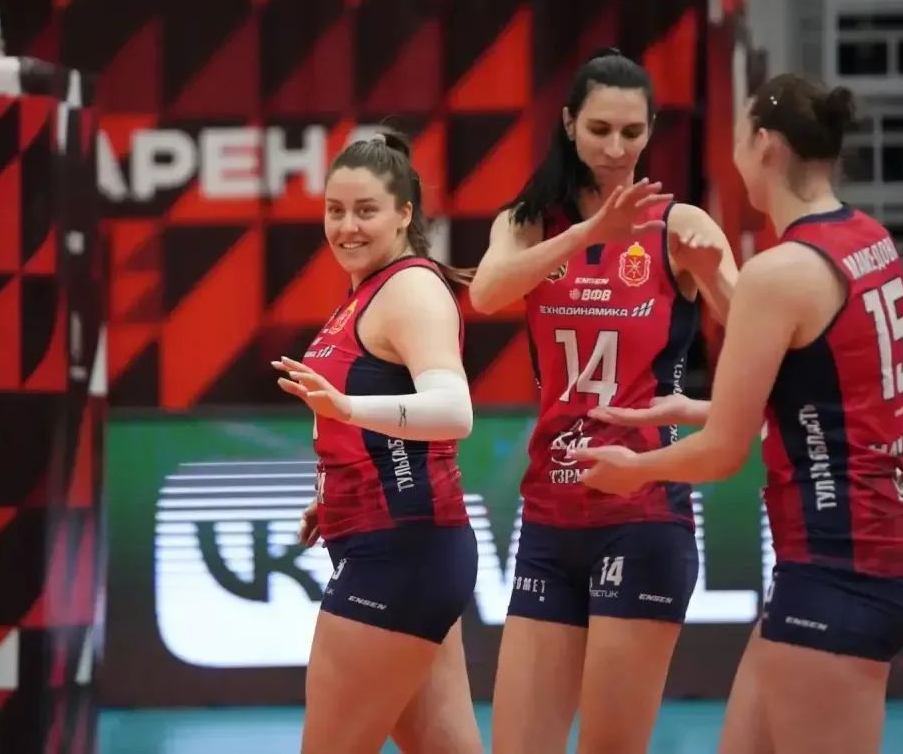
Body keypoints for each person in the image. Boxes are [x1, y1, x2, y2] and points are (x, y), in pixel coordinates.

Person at [572, 74, 903, 754]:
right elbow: (833, 403)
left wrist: (636, 469)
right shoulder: (869, 239)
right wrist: (698, 404)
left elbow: (722, 453)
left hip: (841, 567)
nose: (733, 152)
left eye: (738, 135)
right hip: (854, 556)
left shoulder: (779, 272)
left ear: (764, 144)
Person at [469, 47, 739, 754]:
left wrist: (717, 280)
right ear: (568, 124)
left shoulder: (680, 226)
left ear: (650, 132)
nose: (616, 148)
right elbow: (487, 292)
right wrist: (590, 233)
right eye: (599, 130)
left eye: (631, 132)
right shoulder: (530, 219)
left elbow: (763, 350)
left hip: (642, 516)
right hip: (549, 518)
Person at [272, 132, 483, 754]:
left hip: (400, 553)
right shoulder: (369, 290)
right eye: (335, 210)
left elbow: (454, 411)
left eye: (366, 210)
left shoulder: (411, 288)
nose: (347, 227)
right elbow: (382, 425)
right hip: (399, 544)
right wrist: (336, 489)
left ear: (404, 213)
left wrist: (347, 408)